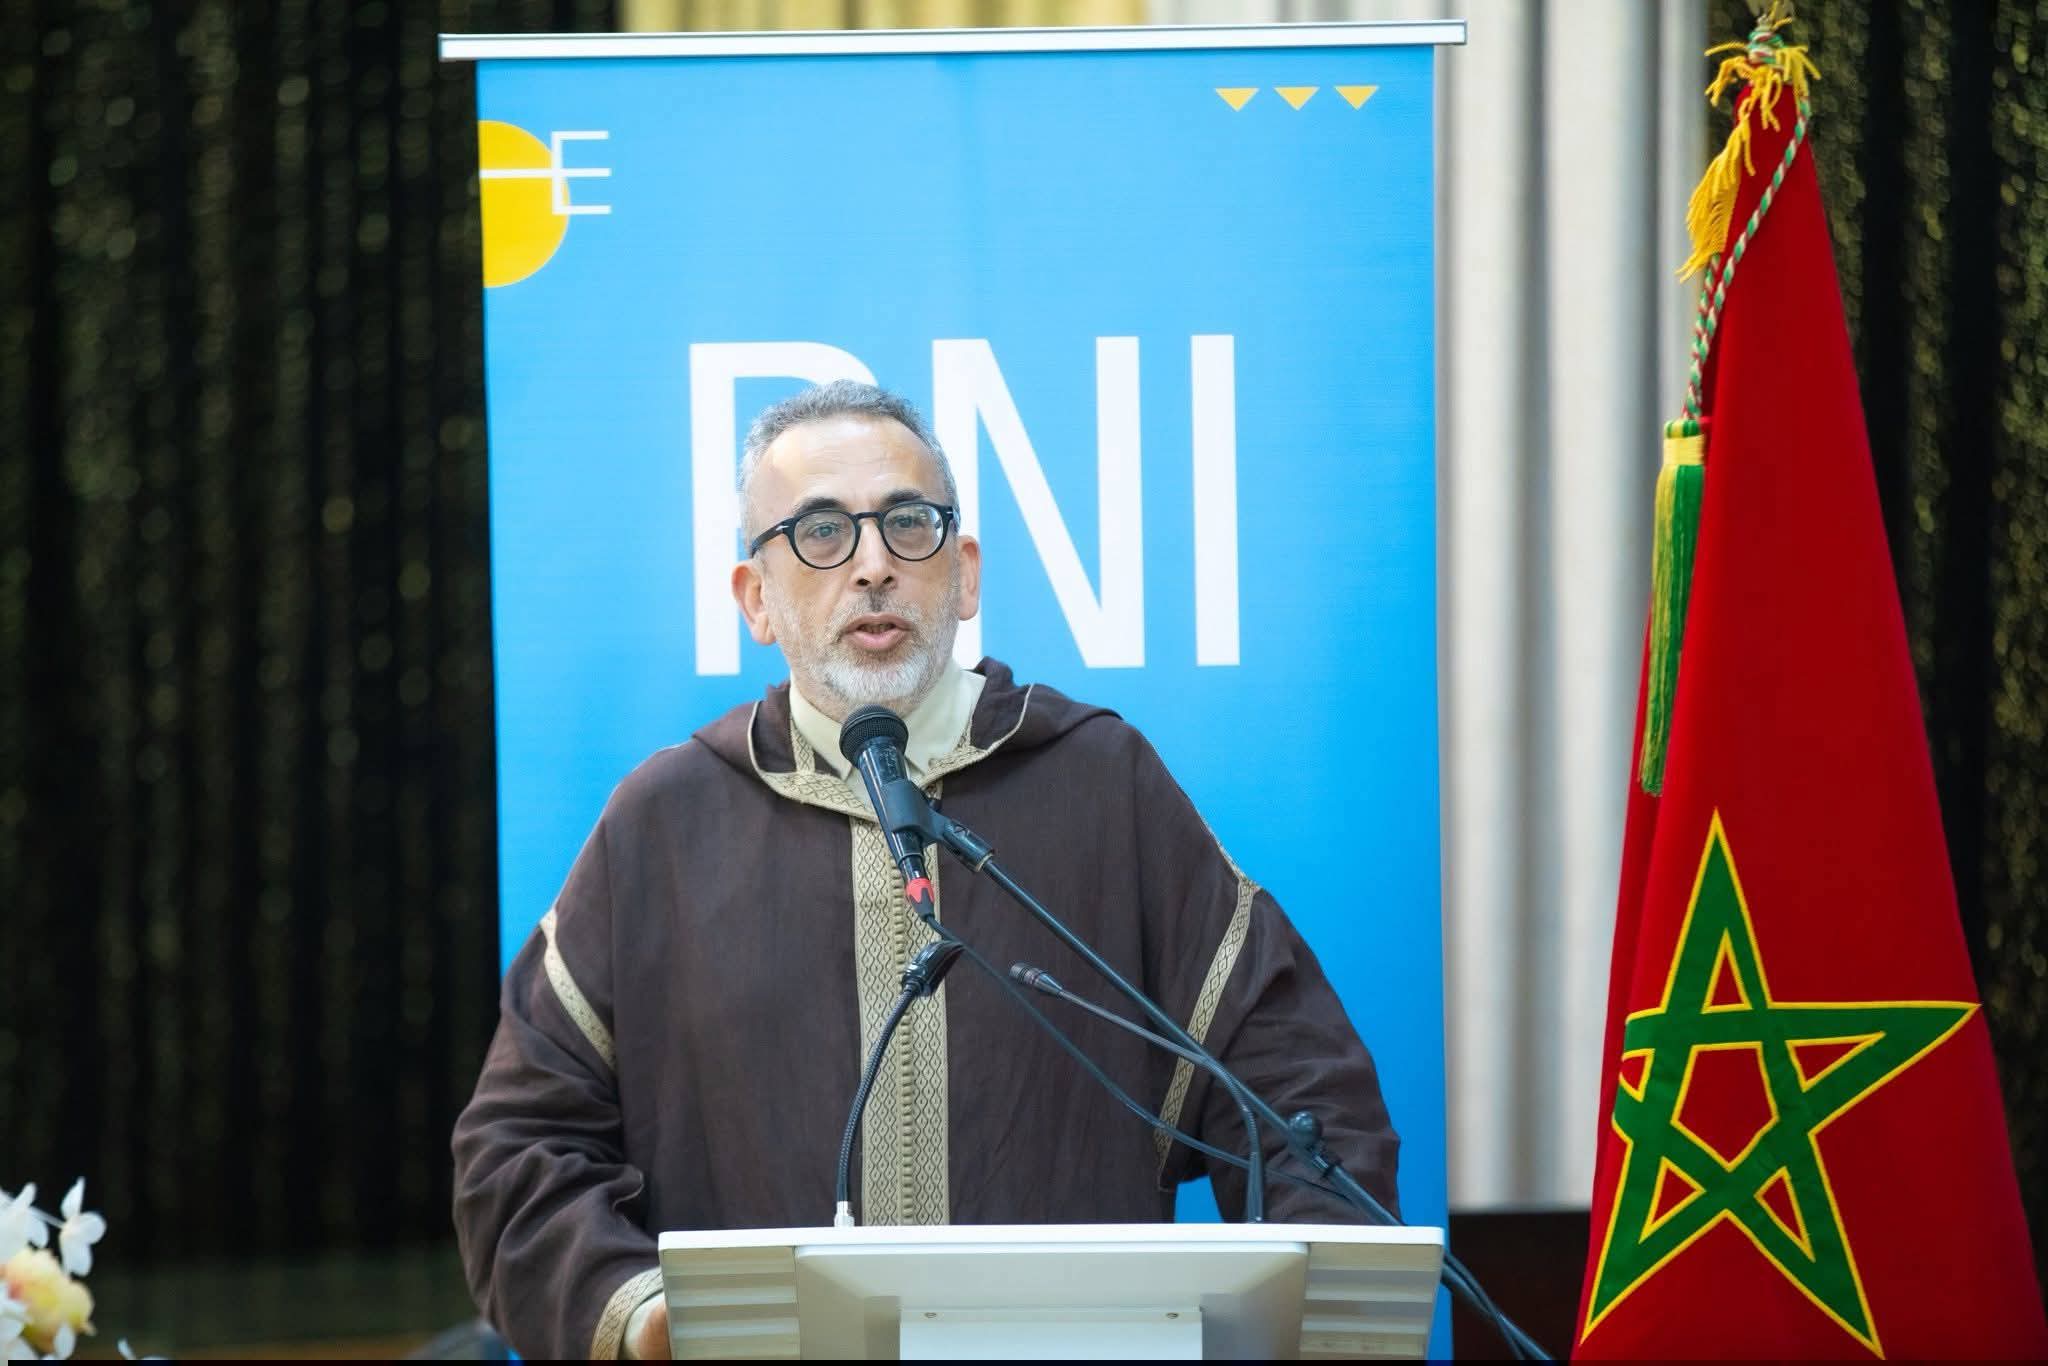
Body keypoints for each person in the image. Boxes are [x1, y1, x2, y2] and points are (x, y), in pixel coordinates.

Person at [451, 381, 1401, 1359]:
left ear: (965, 574)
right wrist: (644, 1318)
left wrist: (1318, 1317)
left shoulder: (1100, 785)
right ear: (755, 599)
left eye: (908, 524)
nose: (872, 565)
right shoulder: (665, 824)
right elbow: (515, 1154)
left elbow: (1304, 1103)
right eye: (821, 531)